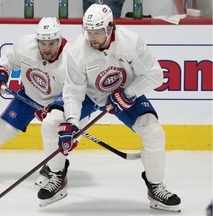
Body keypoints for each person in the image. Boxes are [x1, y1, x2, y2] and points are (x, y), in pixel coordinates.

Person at [52, 3, 181, 212]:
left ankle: (155, 186)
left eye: (97, 32)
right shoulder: (77, 51)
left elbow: (155, 75)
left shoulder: (130, 42)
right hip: (90, 94)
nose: (92, 37)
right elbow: (74, 92)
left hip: (124, 93)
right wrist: (72, 122)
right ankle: (57, 176)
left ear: (110, 28)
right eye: (89, 31)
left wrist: (127, 93)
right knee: (53, 122)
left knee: (153, 131)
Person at [0, 17, 89, 203]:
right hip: (30, 97)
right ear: (37, 41)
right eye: (43, 43)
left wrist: (54, 107)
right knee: (2, 129)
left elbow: (77, 92)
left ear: (59, 40)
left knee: (58, 132)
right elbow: (8, 59)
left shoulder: (71, 57)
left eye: (51, 43)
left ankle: (55, 170)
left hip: (61, 104)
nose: (47, 48)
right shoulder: (26, 45)